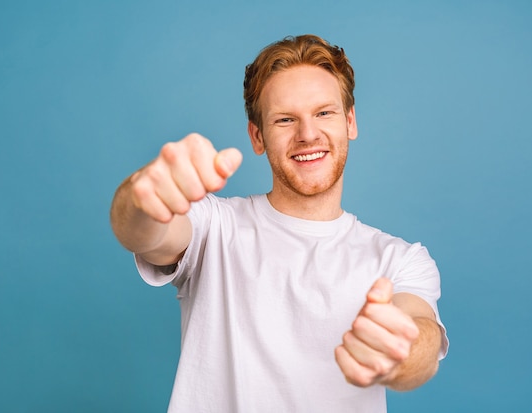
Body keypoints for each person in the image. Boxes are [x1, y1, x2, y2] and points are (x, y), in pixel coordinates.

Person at [110, 34, 448, 412]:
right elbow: (142, 232)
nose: (307, 134)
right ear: (258, 136)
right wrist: (143, 197)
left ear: (350, 121)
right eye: (285, 119)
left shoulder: (400, 260)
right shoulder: (214, 228)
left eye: (324, 113)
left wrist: (399, 350)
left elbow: (421, 339)